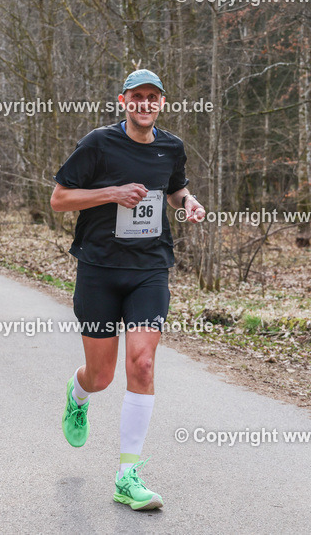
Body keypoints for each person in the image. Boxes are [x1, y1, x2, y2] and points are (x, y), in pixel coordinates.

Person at [50, 69, 206, 511]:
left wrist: (188, 202)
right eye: (136, 97)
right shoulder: (98, 143)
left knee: (142, 362)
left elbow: (174, 190)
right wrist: (111, 193)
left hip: (149, 269)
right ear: (123, 101)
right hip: (99, 269)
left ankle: (127, 476)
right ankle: (78, 395)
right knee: (101, 376)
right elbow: (60, 199)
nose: (144, 104)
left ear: (161, 103)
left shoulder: (171, 147)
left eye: (152, 98)